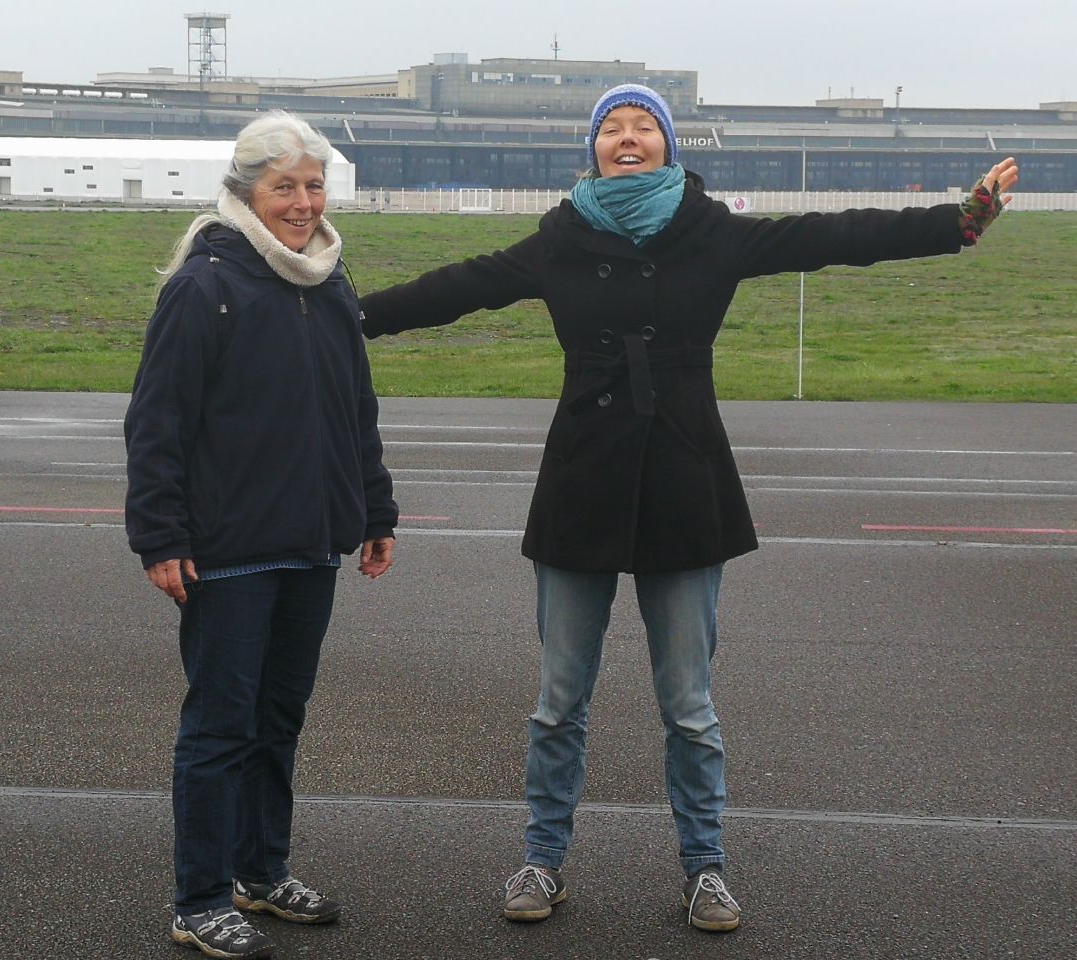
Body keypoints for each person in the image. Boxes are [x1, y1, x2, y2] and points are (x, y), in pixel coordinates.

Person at [357, 84, 1018, 934]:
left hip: (683, 477)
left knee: (690, 707)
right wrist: (353, 314)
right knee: (558, 701)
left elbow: (836, 236)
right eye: (612, 128)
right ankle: (541, 859)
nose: (627, 138)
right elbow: (460, 287)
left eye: (644, 127)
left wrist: (958, 221)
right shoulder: (560, 238)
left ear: (669, 144)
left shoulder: (713, 232)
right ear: (593, 148)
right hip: (583, 484)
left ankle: (705, 868)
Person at [124, 110, 398, 960]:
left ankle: (259, 871)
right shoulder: (204, 284)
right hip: (230, 550)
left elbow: (356, 412)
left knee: (278, 719)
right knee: (220, 726)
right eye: (285, 187)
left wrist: (375, 510)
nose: (304, 203)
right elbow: (157, 421)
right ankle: (200, 898)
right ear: (247, 192)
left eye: (314, 185)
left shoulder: (329, 282)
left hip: (312, 541)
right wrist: (159, 536)